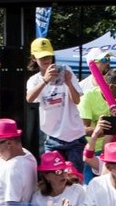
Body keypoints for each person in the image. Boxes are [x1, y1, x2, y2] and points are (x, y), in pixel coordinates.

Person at [26, 37, 86, 170]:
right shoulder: (34, 80)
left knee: (75, 178)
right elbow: (29, 99)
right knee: (52, 176)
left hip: (74, 136)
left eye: (48, 56)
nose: (46, 60)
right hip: (51, 137)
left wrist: (69, 82)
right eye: (42, 57)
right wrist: (45, 80)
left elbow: (76, 100)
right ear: (34, 58)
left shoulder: (65, 70)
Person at [78, 67, 116, 154]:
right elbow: (82, 130)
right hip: (90, 149)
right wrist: (103, 130)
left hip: (112, 149)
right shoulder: (88, 97)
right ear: (111, 87)